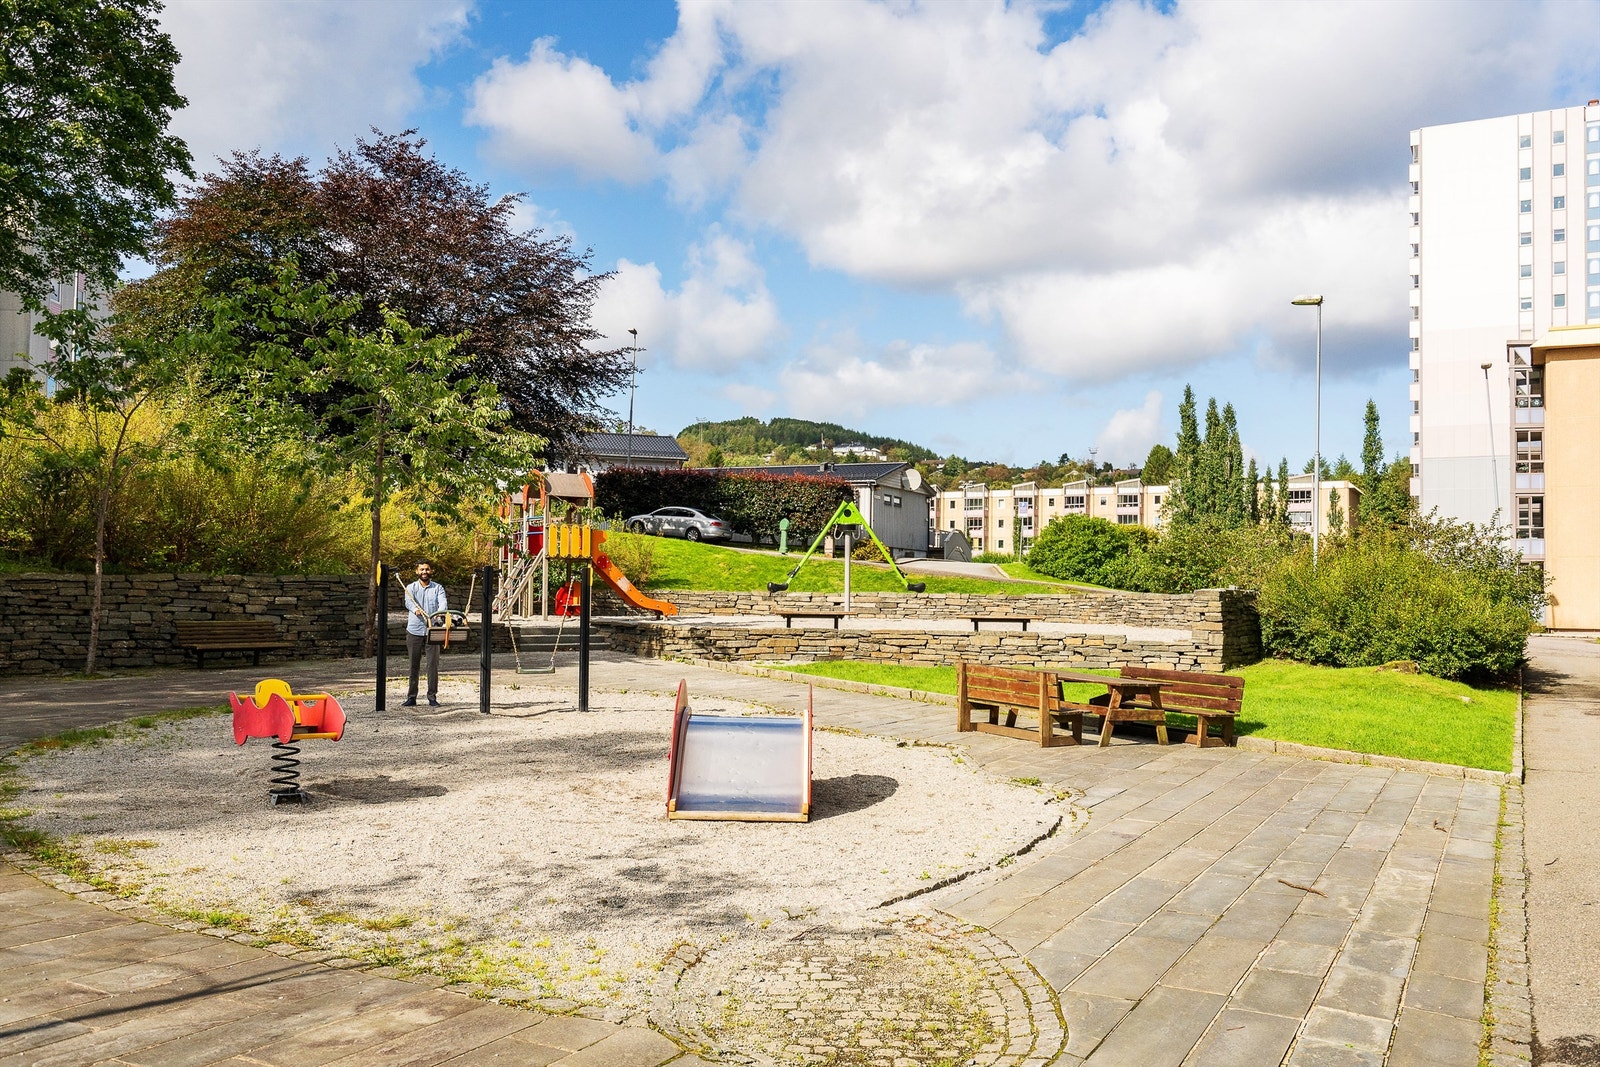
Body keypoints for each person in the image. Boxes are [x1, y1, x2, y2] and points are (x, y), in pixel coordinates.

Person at [403, 561, 449, 707]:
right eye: (422, 569)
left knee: (432, 665)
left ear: (431, 571)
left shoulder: (438, 588)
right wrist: (415, 610)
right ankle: (411, 697)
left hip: (432, 630)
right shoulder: (411, 587)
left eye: (427, 569)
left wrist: (439, 613)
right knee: (413, 665)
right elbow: (408, 602)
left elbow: (443, 603)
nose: (425, 571)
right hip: (414, 630)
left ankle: (432, 696)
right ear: (417, 571)